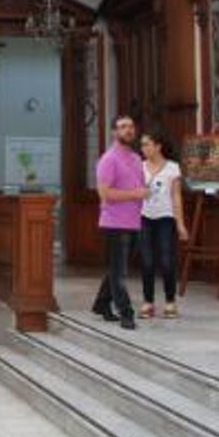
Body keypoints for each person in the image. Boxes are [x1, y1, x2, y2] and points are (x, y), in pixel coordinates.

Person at [91, 115, 148, 330]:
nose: (128, 130)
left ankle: (101, 304)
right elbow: (104, 193)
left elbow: (139, 189)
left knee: (118, 268)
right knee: (120, 272)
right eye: (123, 127)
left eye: (131, 126)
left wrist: (143, 194)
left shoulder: (135, 158)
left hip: (134, 221)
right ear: (114, 132)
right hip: (114, 223)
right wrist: (135, 193)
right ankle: (126, 313)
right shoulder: (108, 159)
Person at [139, 132, 188, 319]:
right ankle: (148, 301)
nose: (143, 149)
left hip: (165, 218)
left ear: (158, 146)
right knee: (147, 261)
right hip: (144, 217)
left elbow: (176, 196)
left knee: (167, 260)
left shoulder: (173, 168)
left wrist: (180, 224)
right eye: (142, 145)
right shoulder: (139, 167)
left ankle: (170, 301)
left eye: (147, 144)